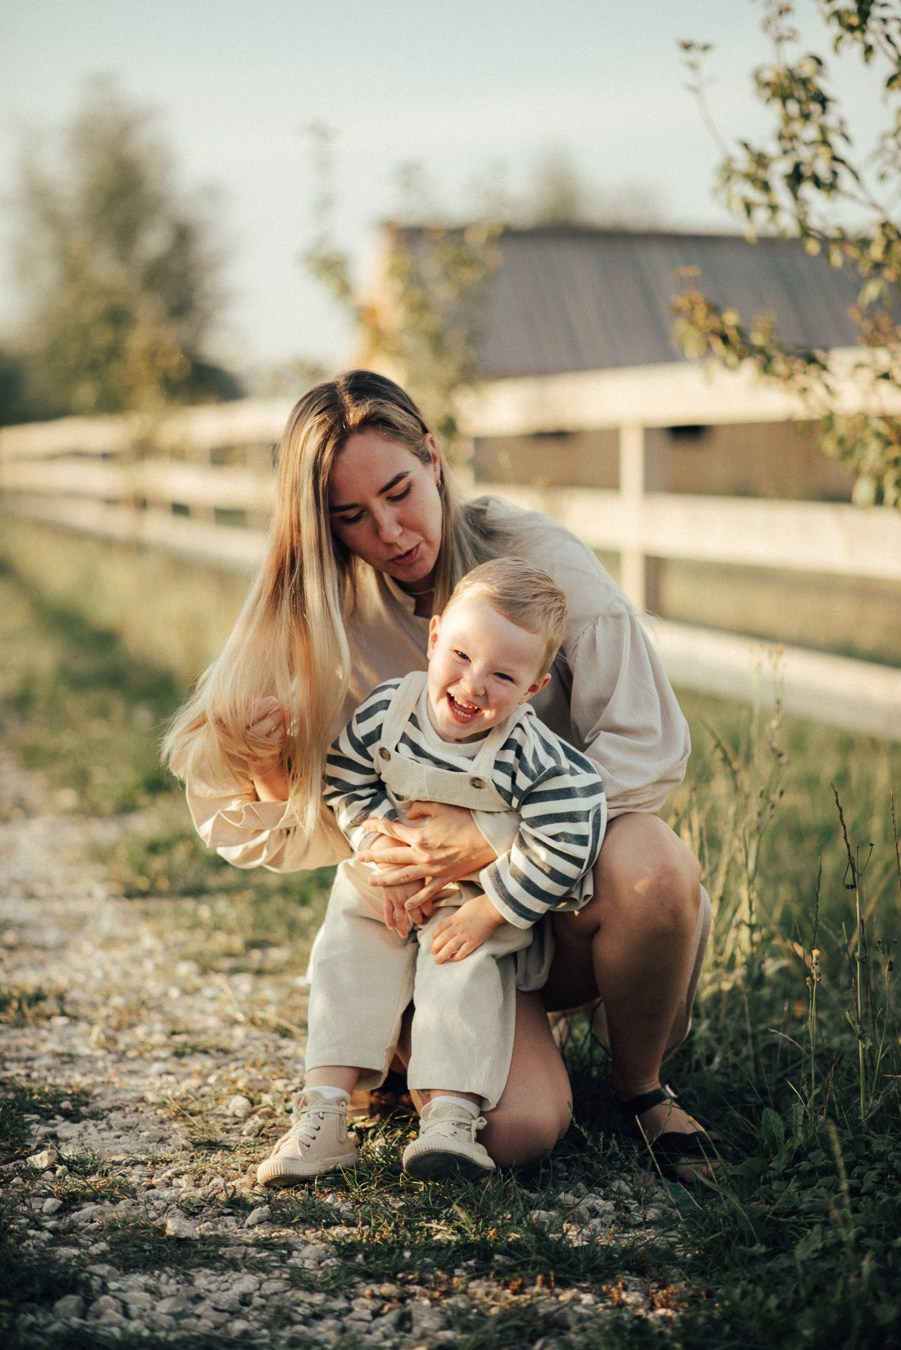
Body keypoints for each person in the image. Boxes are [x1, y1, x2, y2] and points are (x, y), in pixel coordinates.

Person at [163, 369, 716, 1184]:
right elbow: (309, 814)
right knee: (520, 1131)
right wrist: (266, 765)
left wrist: (495, 838)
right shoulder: (328, 610)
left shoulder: (535, 565)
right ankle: (408, 1049)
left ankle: (641, 1091)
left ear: (432, 457)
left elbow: (647, 742)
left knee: (655, 866)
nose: (387, 531)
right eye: (350, 516)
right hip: (441, 924)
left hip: (549, 897)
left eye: (397, 491)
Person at [255, 558, 607, 1185]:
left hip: (468, 899)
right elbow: (348, 779)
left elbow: (570, 834)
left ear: (533, 689)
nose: (474, 685)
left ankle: (450, 1121)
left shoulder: (534, 755)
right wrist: (376, 848)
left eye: (503, 675)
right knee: (349, 956)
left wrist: (490, 908)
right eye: (463, 656)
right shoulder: (391, 709)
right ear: (435, 635)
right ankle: (326, 1112)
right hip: (384, 881)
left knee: (462, 975)